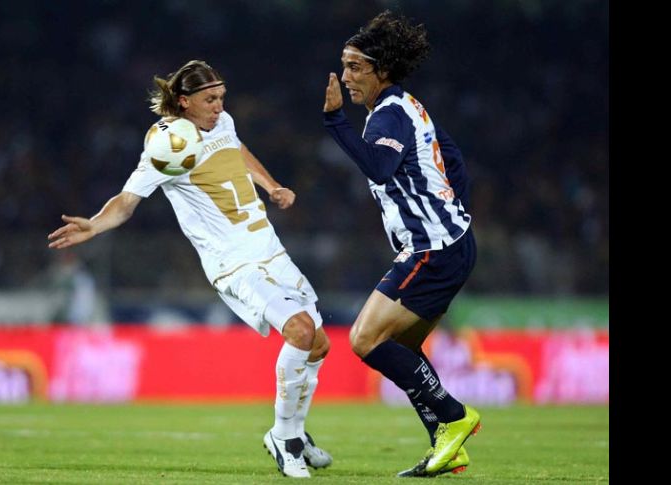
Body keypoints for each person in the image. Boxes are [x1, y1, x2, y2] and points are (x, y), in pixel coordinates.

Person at [48, 60, 332, 478]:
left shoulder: (223, 122)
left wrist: (271, 186)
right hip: (232, 262)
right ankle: (285, 440)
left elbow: (236, 149)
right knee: (300, 332)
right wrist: (94, 224)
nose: (218, 107)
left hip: (270, 248)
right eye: (209, 100)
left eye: (221, 98)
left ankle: (292, 432)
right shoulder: (167, 149)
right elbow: (127, 202)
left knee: (319, 345)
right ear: (184, 101)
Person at [322, 11, 481, 478]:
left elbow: (380, 167)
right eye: (344, 65)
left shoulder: (388, 115)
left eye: (355, 67)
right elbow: (453, 159)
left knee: (365, 339)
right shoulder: (408, 106)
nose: (346, 77)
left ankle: (455, 419)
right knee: (401, 349)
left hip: (432, 249)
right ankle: (445, 445)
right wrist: (457, 213)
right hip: (448, 242)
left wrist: (334, 122)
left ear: (381, 70)